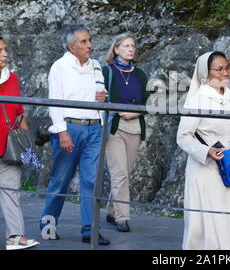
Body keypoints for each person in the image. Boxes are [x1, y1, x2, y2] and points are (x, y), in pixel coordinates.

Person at [176, 51, 230, 250]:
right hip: (206, 172)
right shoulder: (197, 100)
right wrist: (206, 151)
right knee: (207, 225)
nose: (225, 73)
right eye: (218, 69)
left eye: (227, 68)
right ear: (206, 73)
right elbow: (183, 136)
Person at [40, 25, 110, 245]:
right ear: (72, 46)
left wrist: (103, 100)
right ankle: (47, 226)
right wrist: (62, 132)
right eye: (84, 42)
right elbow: (54, 102)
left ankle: (90, 230)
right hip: (69, 129)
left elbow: (101, 98)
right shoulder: (59, 67)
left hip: (93, 129)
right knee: (60, 181)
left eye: (90, 40)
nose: (90, 45)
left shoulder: (96, 66)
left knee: (91, 182)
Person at [102, 33, 148, 232]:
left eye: (133, 46)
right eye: (126, 45)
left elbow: (147, 103)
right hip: (114, 127)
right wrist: (116, 109)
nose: (131, 49)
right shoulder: (107, 72)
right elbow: (99, 99)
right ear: (116, 49)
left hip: (135, 127)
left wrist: (135, 112)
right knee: (119, 173)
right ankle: (122, 218)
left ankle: (112, 210)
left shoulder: (140, 74)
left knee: (125, 174)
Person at [0, 36, 40, 250]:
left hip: (8, 149)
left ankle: (15, 237)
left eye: (5, 49)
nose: (5, 54)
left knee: (11, 192)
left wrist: (29, 148)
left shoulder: (12, 78)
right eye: (0, 50)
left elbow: (19, 113)